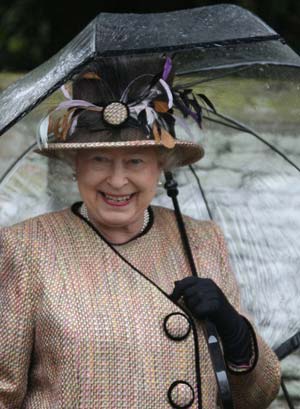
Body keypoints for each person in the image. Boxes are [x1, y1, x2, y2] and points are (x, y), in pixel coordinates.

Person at [0, 55, 280, 408]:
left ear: (160, 169)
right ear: (75, 167)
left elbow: (257, 396)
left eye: (136, 161)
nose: (118, 181)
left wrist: (235, 331)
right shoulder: (25, 247)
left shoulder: (201, 241)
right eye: (99, 160)